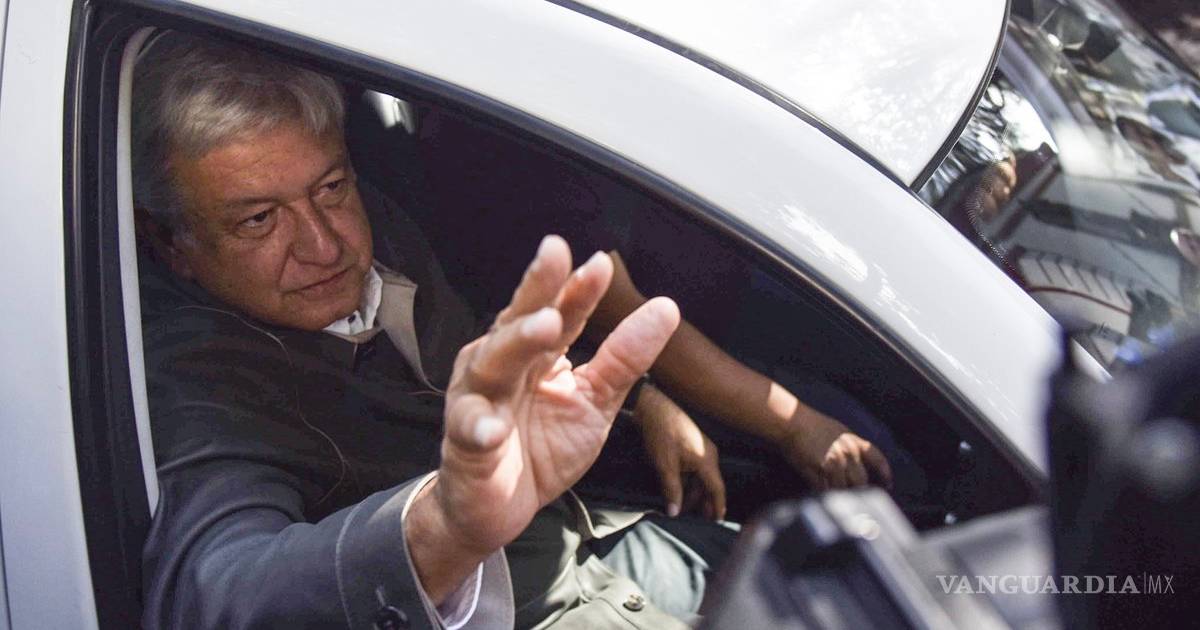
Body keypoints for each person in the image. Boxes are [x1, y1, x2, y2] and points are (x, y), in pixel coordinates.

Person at [133, 32, 895, 629]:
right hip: (521, 611)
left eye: (331, 186)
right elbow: (215, 593)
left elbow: (493, 347)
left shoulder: (385, 222)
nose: (325, 245)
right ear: (173, 247)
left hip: (599, 534)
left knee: (853, 575)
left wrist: (642, 399)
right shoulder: (197, 383)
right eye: (258, 221)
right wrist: (442, 528)